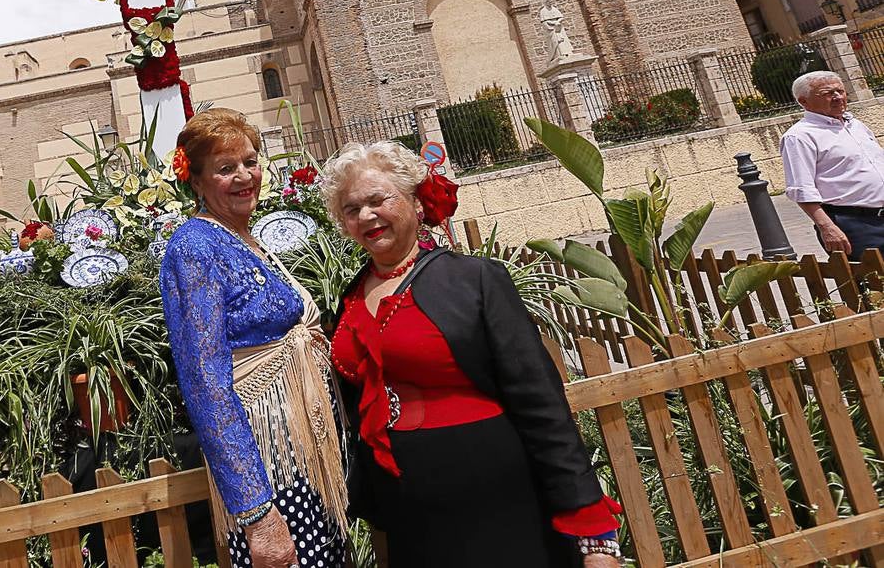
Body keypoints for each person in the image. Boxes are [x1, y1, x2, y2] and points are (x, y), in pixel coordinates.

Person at [322, 141, 622, 567]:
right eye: (352, 209)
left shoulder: (474, 280)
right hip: (409, 509)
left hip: (494, 495)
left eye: (378, 200)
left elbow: (540, 403)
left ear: (415, 202)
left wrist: (592, 532)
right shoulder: (350, 297)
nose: (366, 216)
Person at [160, 109, 348, 568]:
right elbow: (206, 384)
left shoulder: (241, 236)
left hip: (301, 452)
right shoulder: (194, 247)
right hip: (270, 466)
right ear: (197, 180)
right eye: (226, 169)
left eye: (250, 161)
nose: (245, 176)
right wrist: (258, 514)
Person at [780, 70, 884, 257]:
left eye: (840, 91)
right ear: (804, 101)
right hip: (855, 224)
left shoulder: (855, 125)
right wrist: (827, 227)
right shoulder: (800, 136)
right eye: (827, 93)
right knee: (872, 283)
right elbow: (801, 188)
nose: (837, 97)